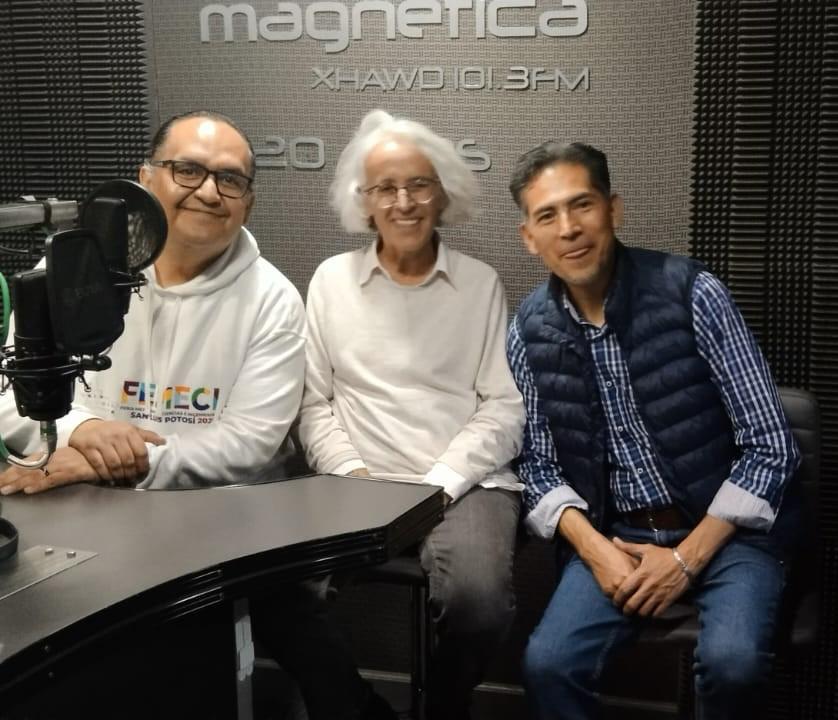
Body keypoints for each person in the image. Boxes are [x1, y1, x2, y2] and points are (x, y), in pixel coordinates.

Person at [505, 141, 802, 720]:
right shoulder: (526, 330)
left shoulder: (693, 292)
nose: (568, 229)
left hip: (729, 535)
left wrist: (685, 559)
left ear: (613, 209)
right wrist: (595, 551)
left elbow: (772, 446)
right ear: (529, 237)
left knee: (733, 663)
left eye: (582, 205)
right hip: (615, 536)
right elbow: (537, 466)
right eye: (547, 215)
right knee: (547, 665)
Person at [297, 109, 525, 719]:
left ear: (441, 193)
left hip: (464, 485)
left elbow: (504, 406)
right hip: (356, 482)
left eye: (419, 185)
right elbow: (313, 403)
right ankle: (360, 711)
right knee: (287, 594)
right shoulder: (330, 281)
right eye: (386, 188)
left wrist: (439, 485)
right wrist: (353, 475)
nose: (403, 202)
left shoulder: (480, 284)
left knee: (478, 603)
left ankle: (444, 707)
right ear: (364, 201)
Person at [0, 110, 306, 493]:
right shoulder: (69, 271)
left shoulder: (274, 300)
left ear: (249, 204)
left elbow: (246, 443)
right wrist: (83, 430)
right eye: (188, 170)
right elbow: (10, 396)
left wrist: (121, 462)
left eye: (230, 179)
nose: (209, 193)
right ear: (145, 179)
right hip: (81, 498)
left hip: (219, 509)